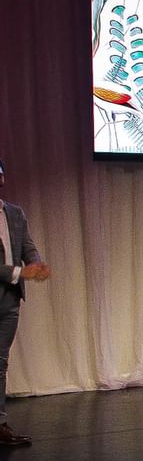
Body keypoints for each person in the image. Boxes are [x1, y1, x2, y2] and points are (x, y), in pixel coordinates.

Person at [0, 160, 50, 445]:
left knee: (0, 363)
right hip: (8, 283)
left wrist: (37, 263)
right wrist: (20, 272)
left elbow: (26, 245)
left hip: (9, 300)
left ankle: (0, 424)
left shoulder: (14, 213)